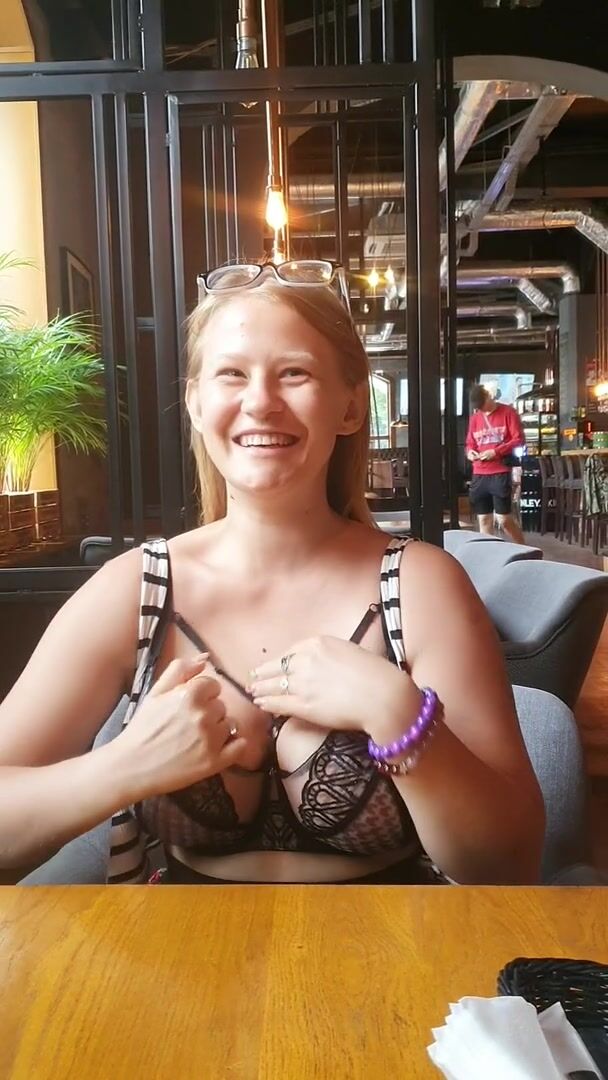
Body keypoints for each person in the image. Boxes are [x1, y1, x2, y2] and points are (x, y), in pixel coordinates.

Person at [0, 261, 544, 886]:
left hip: (395, 944)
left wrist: (398, 715)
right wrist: (123, 767)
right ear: (196, 403)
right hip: (176, 947)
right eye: (232, 374)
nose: (260, 402)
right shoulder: (135, 590)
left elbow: (510, 863)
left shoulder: (422, 585)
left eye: (295, 373)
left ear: (349, 406)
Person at [465, 384, 526, 543]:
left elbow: (518, 440)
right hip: (479, 473)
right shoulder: (475, 418)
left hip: (500, 471)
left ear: (489, 396)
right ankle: (489, 553)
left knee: (504, 519)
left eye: (483, 405)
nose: (482, 410)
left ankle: (524, 549)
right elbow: (470, 443)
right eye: (479, 408)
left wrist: (496, 452)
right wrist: (470, 453)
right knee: (484, 520)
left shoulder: (508, 412)